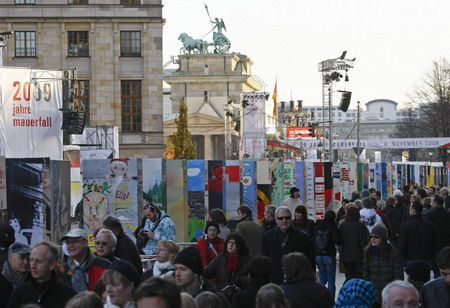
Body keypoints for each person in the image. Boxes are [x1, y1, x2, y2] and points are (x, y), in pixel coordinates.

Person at [8, 241, 76, 308]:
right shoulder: (20, 293)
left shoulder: (67, 295)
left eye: (38, 261)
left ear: (51, 264)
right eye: (31, 260)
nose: (33, 266)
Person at [262, 206, 315, 284]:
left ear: (291, 218)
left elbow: (310, 261)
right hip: (274, 281)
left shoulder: (303, 238)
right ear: (276, 220)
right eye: (281, 218)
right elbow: (264, 259)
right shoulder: (267, 237)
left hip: (297, 281)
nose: (284, 221)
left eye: (287, 218)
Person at [363, 224, 403, 307]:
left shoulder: (393, 252)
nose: (373, 239)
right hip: (373, 294)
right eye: (371, 236)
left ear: (383, 238)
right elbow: (365, 273)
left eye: (376, 237)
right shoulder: (368, 252)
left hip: (388, 293)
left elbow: (398, 274)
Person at [398, 201, 439, 268]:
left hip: (411, 258)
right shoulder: (430, 225)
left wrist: (404, 257)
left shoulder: (406, 226)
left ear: (413, 211)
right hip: (427, 257)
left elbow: (402, 244)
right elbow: (435, 242)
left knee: (412, 277)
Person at [313, 210, 340, 299]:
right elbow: (337, 240)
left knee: (323, 278)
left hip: (318, 255)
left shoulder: (317, 225)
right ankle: (330, 300)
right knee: (331, 280)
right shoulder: (333, 226)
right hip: (329, 255)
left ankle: (317, 296)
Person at [338, 207, 369, 281]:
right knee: (359, 276)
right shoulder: (360, 225)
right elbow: (364, 240)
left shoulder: (342, 226)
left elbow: (339, 241)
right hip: (358, 255)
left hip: (346, 256)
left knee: (349, 276)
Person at [424, 194, 450, 277]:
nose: (430, 203)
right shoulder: (447, 215)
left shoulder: (429, 216)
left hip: (434, 247)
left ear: (435, 203)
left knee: (437, 270)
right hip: (447, 245)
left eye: (431, 201)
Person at [0, 242, 31, 308]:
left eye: (28, 258)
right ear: (10, 257)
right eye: (21, 258)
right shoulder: (2, 279)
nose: (26, 262)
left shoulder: (33, 280)